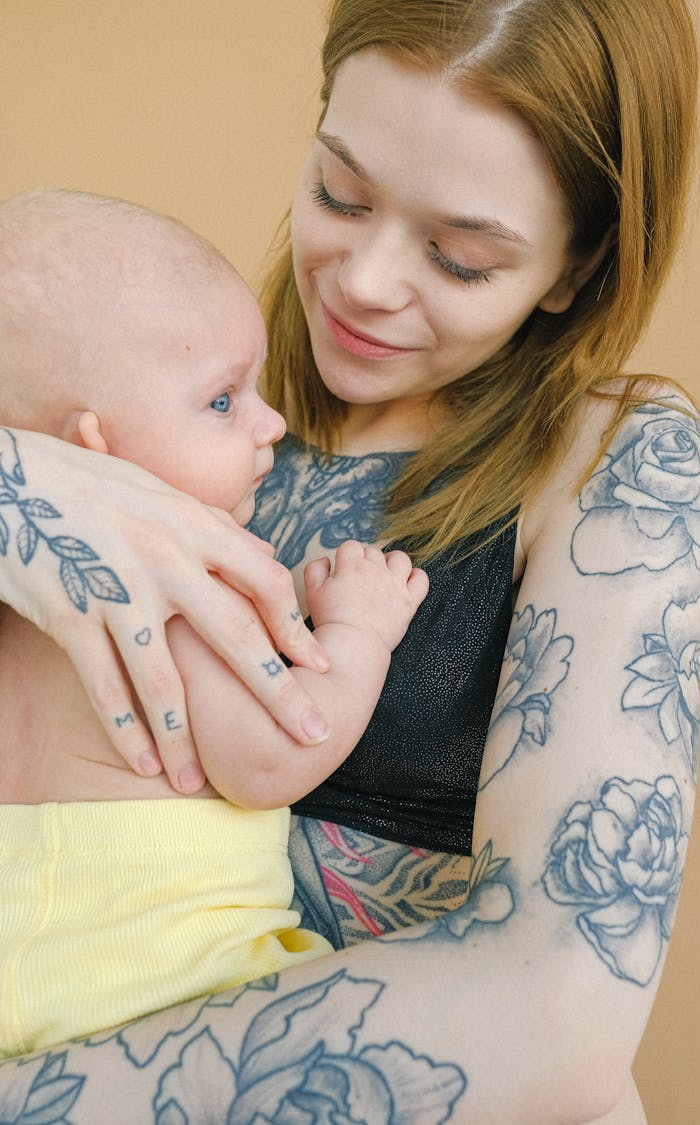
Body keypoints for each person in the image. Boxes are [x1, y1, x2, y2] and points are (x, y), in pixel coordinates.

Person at [0, 0, 700, 1121]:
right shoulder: (149, 386)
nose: (368, 279)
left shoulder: (610, 454)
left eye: (460, 257)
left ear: (576, 271)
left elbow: (562, 1005)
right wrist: (15, 488)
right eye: (341, 191)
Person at [0, 189, 428, 1057]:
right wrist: (358, 635)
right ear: (94, 451)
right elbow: (273, 753)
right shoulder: (178, 581)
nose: (271, 422)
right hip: (171, 985)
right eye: (224, 401)